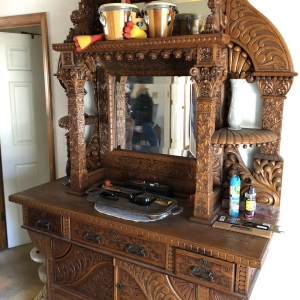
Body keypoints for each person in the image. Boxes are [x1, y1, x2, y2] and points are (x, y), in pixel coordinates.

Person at [130, 84, 158, 149]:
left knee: (133, 142)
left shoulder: (143, 93)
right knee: (154, 141)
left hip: (144, 122)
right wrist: (138, 124)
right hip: (143, 122)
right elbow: (136, 110)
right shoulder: (140, 94)